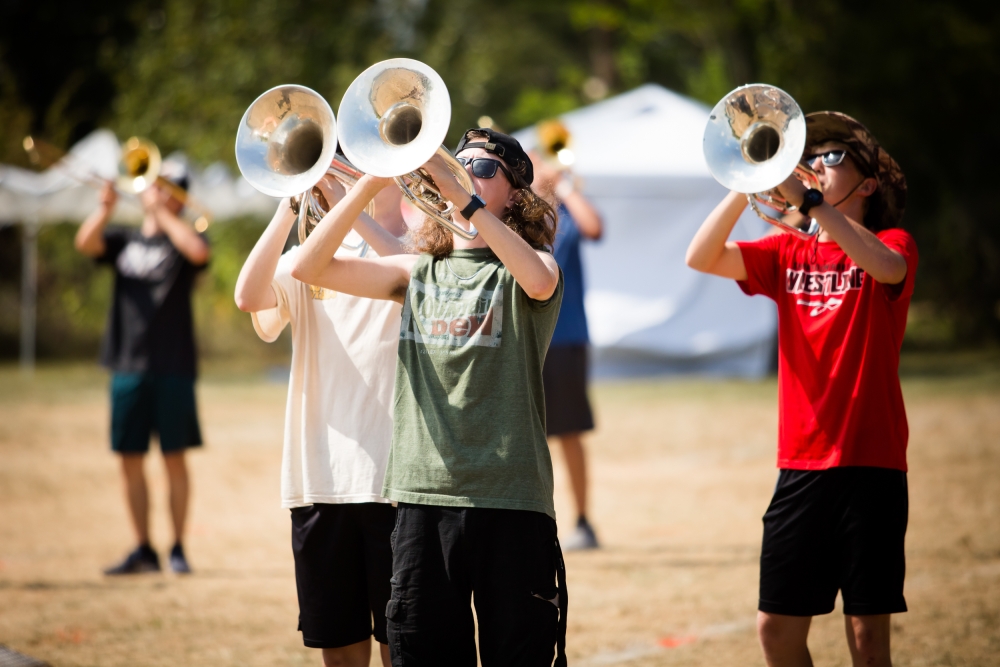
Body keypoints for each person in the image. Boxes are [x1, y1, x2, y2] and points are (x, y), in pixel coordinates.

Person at [292, 128, 568, 667]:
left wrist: (463, 199)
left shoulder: (534, 265)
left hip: (511, 500)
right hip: (423, 499)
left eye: (482, 169)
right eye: (458, 164)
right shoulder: (416, 270)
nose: (464, 173)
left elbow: (538, 281)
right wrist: (365, 185)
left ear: (516, 195)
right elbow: (308, 268)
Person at [686, 112, 914, 667]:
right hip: (802, 463)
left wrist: (811, 204)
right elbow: (701, 257)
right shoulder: (786, 251)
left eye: (832, 157)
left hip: (872, 461)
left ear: (868, 185)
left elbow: (887, 269)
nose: (814, 164)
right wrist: (747, 180)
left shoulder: (893, 242)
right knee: (776, 630)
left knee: (868, 639)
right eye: (811, 156)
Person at [234, 172, 406, 667]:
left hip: (395, 483)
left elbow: (406, 268)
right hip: (319, 479)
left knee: (402, 648)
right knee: (340, 651)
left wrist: (358, 196)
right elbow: (249, 296)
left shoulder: (418, 247)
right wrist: (289, 207)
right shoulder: (308, 259)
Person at [74, 161, 211, 575]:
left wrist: (162, 214)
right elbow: (85, 243)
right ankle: (143, 549)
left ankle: (178, 548)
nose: (158, 192)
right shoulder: (124, 240)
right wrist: (105, 209)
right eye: (156, 185)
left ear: (180, 197)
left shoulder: (185, 236)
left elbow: (199, 252)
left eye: (169, 187)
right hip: (127, 364)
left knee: (174, 459)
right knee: (130, 460)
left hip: (173, 366)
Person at [530, 151, 604, 550]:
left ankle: (583, 521)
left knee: (569, 434)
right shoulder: (517, 219)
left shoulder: (568, 216)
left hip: (566, 339)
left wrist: (562, 185)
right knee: (525, 438)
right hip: (527, 340)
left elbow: (595, 227)